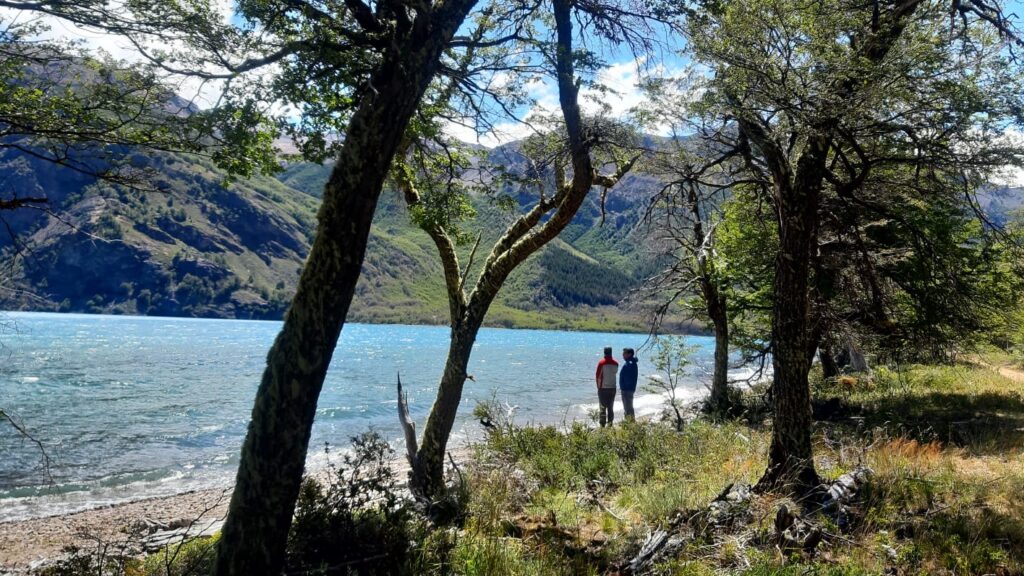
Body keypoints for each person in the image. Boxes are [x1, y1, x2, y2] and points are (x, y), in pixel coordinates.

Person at [595, 346, 618, 427]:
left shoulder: (601, 363)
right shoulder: (616, 363)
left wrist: (598, 387)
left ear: (604, 352)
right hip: (613, 388)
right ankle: (610, 424)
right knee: (610, 407)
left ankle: (602, 425)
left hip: (603, 388)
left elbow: (598, 377)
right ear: (611, 352)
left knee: (602, 408)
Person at [620, 348, 638, 421]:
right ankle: (630, 423)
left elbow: (628, 377)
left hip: (627, 389)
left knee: (628, 408)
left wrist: (624, 387)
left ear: (629, 354)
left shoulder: (630, 363)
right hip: (627, 389)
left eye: (624, 353)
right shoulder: (630, 362)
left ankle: (630, 424)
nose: (623, 355)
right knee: (628, 407)